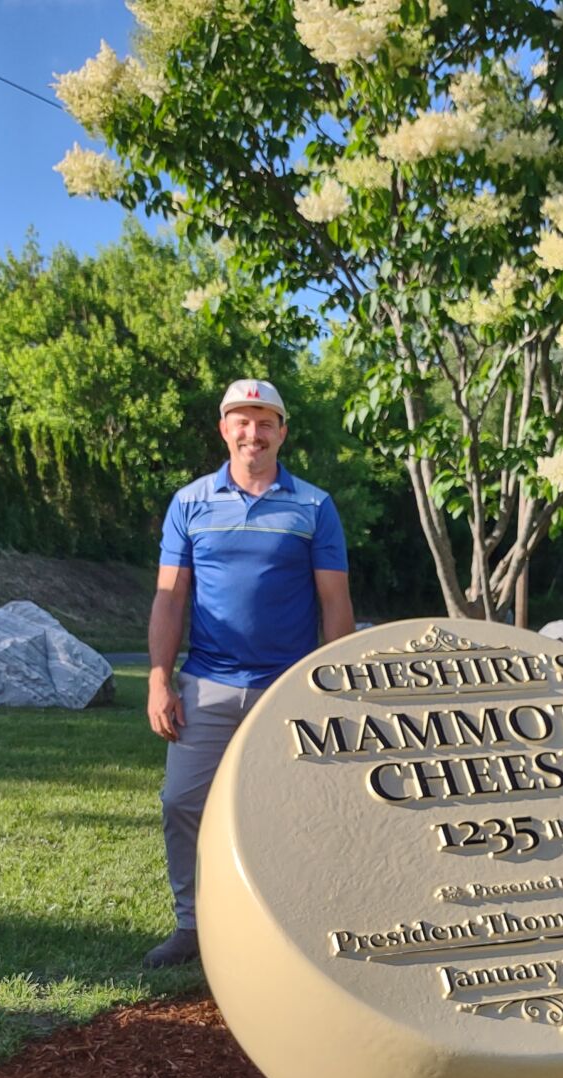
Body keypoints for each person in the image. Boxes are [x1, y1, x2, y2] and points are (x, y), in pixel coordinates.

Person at [143, 377, 355, 968]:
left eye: (265, 422)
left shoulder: (314, 506)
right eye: (241, 420)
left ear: (282, 431)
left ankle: (291, 924)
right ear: (224, 429)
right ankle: (193, 926)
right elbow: (169, 597)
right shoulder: (189, 503)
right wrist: (160, 678)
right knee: (182, 802)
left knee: (295, 812)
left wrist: (333, 687)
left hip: (288, 688)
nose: (252, 432)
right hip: (207, 683)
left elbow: (334, 602)